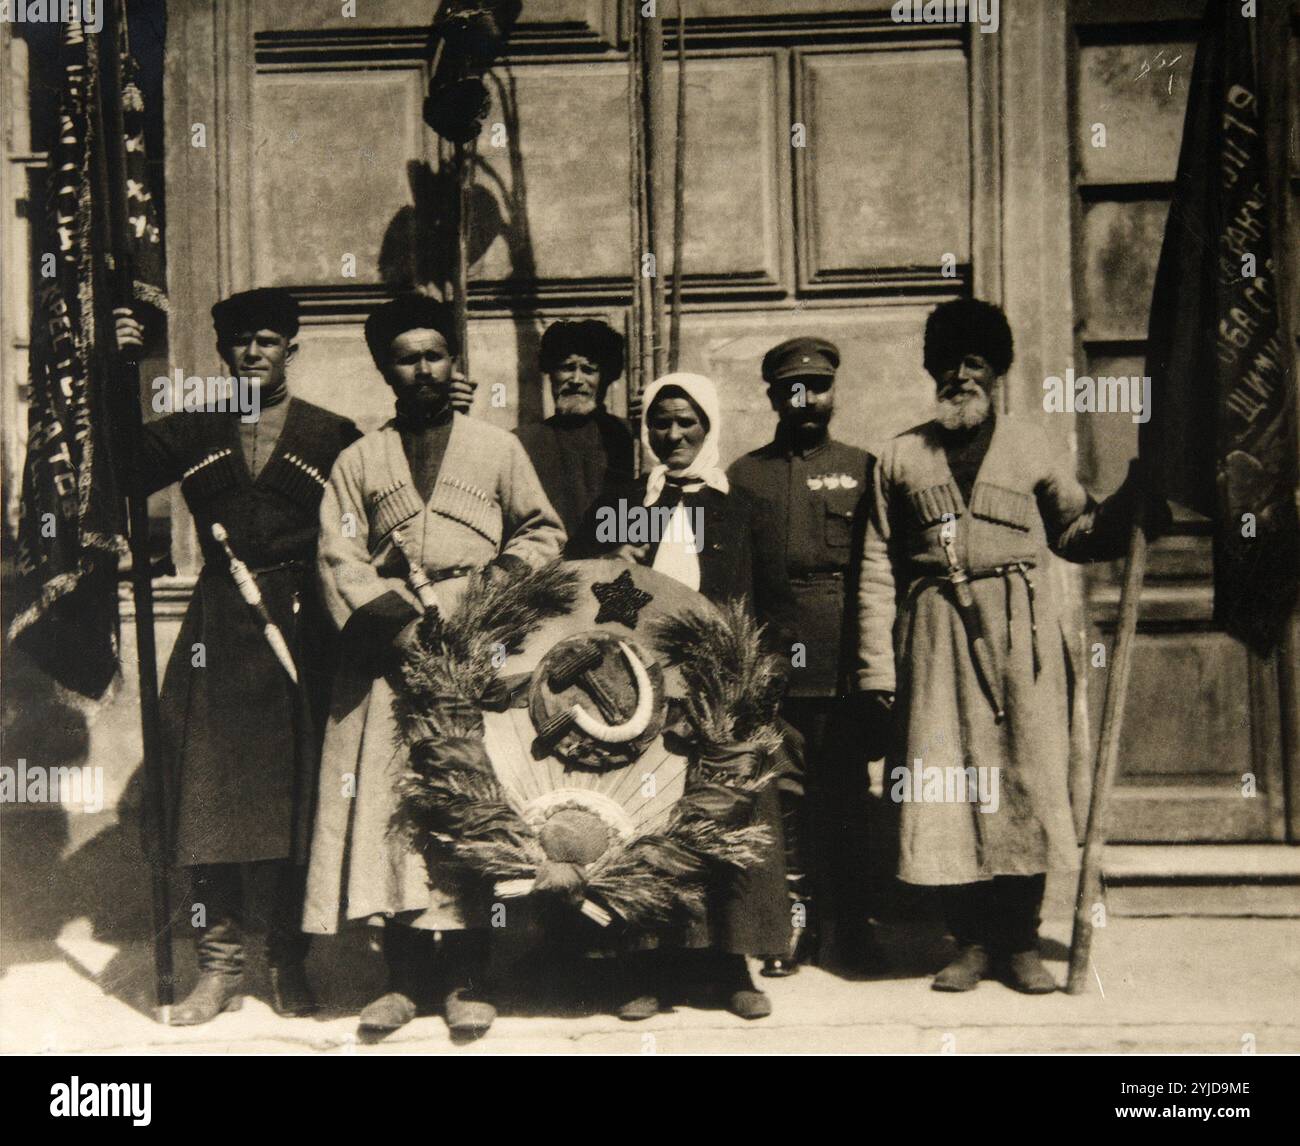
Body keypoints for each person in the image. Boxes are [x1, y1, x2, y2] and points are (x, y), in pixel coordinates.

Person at [855, 298, 1167, 994]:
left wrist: (1131, 499)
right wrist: (879, 665)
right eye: (947, 363)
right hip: (934, 637)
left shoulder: (1031, 446)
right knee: (948, 785)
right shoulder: (901, 455)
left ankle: (1019, 941)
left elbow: (1078, 534)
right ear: (931, 369)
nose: (959, 375)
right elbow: (878, 566)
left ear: (995, 372)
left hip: (1023, 638)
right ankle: (966, 942)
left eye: (974, 363)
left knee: (1025, 778)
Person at [303, 293, 565, 1037]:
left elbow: (543, 533)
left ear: (454, 362)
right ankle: (402, 979)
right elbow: (338, 556)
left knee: (471, 802)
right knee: (393, 808)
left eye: (434, 354)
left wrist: (487, 593)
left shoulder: (496, 448)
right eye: (405, 357)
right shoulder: (359, 460)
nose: (421, 369)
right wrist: (400, 628)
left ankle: (469, 976)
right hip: (391, 657)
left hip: (478, 653)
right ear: (386, 368)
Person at [114, 288, 361, 1025]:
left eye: (267, 341)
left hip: (303, 631)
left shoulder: (332, 435)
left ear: (292, 348)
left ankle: (288, 963)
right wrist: (122, 366)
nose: (254, 354)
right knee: (206, 801)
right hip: (217, 629)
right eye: (240, 344)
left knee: (297, 802)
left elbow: (379, 508)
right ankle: (218, 968)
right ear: (222, 354)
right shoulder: (195, 427)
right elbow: (121, 467)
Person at [577, 372, 796, 1020]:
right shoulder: (621, 503)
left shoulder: (745, 507)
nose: (673, 435)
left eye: (687, 423)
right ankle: (647, 966)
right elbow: (577, 588)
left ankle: (732, 964)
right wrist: (613, 562)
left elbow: (777, 609)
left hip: (724, 692)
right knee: (648, 821)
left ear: (709, 427)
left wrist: (758, 684)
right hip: (642, 693)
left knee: (727, 819)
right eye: (661, 424)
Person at [727, 337, 876, 976]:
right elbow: (736, 582)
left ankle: (850, 930)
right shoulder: (744, 476)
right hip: (775, 672)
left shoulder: (865, 469)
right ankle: (787, 930)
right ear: (772, 397)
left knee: (844, 801)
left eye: (819, 386)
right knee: (780, 802)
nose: (807, 399)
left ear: (834, 391)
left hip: (843, 671)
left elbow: (879, 575)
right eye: (794, 388)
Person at [515, 319, 635, 538]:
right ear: (551, 374)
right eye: (567, 368)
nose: (576, 380)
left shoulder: (626, 435)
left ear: (604, 378)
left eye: (589, 370)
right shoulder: (522, 442)